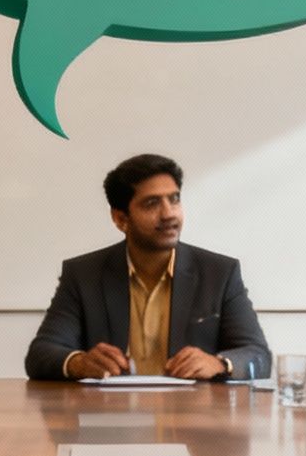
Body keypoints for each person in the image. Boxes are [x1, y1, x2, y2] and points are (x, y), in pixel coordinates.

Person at [25, 153, 271, 381]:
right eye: (152, 203)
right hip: (112, 419)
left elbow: (257, 355)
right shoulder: (84, 275)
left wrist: (219, 363)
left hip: (191, 420)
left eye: (174, 200)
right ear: (120, 219)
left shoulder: (218, 273)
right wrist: (79, 362)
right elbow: (41, 353)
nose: (169, 214)